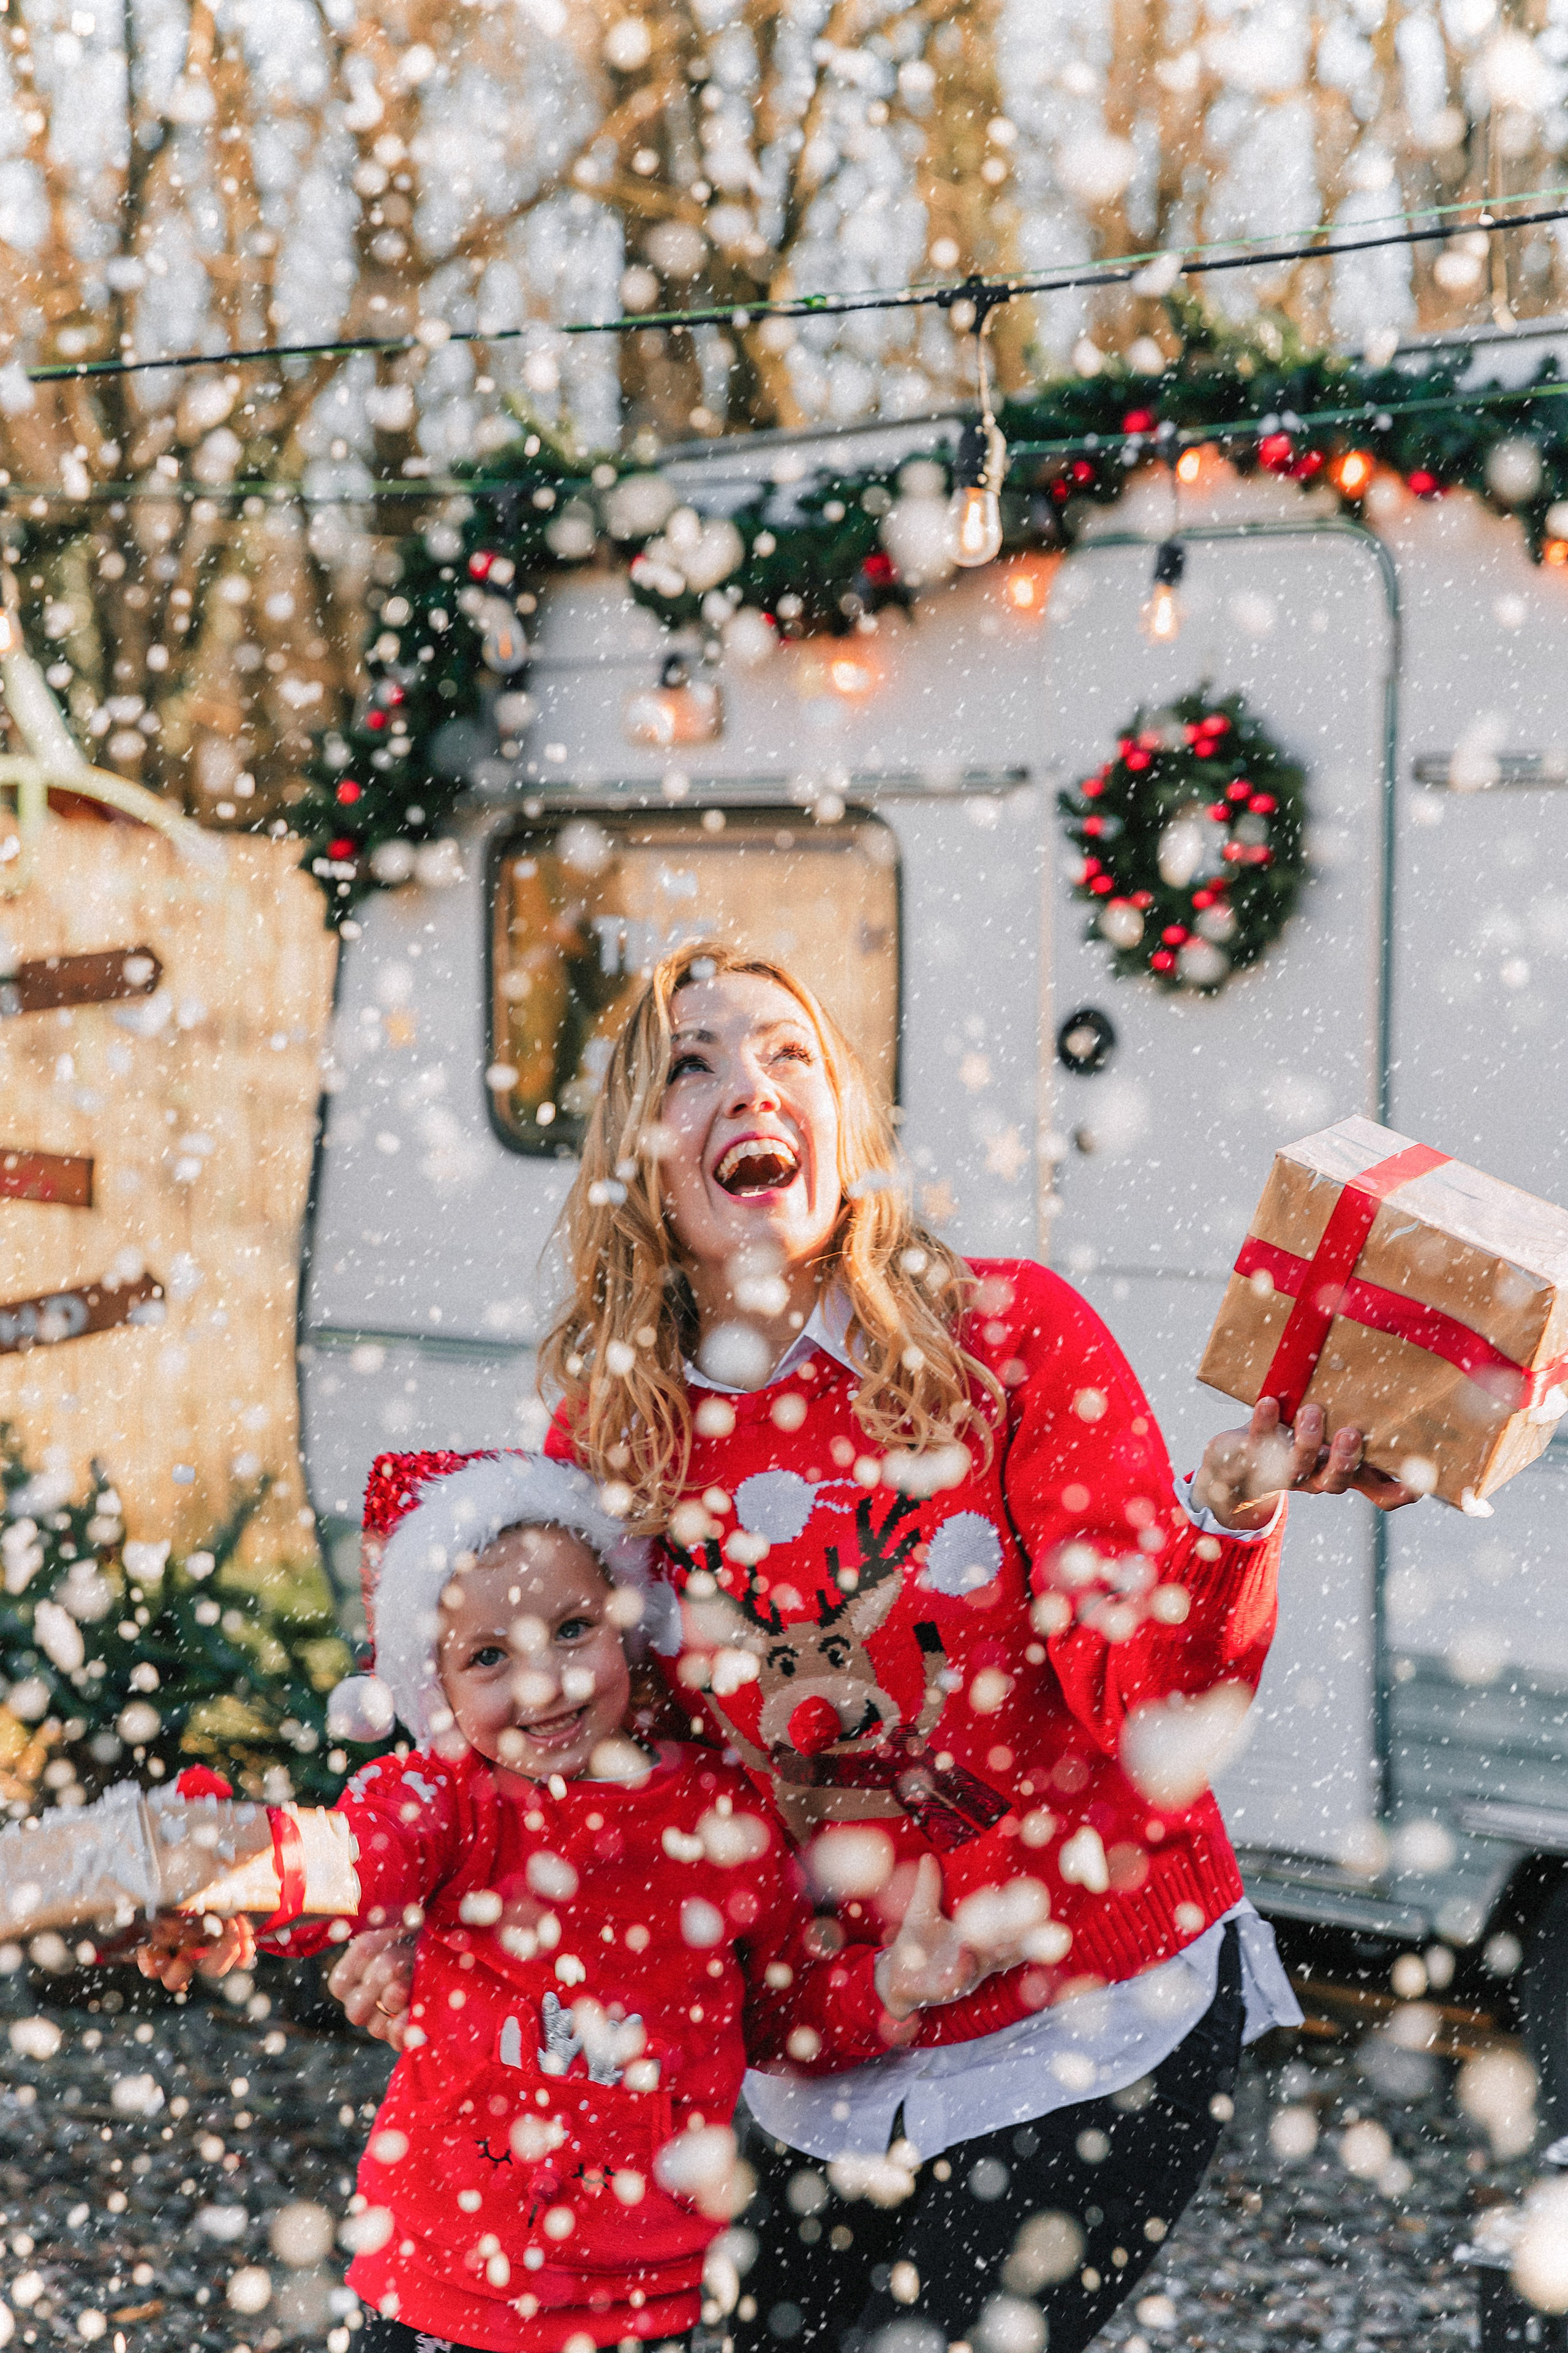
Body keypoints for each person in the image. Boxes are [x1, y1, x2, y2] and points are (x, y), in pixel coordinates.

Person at [331, 941, 1419, 2353]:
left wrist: (1230, 1506)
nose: (750, 1088)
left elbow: (1146, 1704)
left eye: (789, 1054)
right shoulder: (611, 1439)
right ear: (640, 1163)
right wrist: (427, 1899)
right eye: (694, 1067)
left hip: (1087, 2012)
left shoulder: (1010, 1340)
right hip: (813, 2034)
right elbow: (575, 1753)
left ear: (842, 1118)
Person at [137, 1451, 983, 2353]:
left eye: (573, 1628)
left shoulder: (718, 1816)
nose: (543, 1681)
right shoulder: (451, 1800)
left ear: (626, 1627)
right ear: (440, 1688)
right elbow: (356, 1859)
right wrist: (237, 1875)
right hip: (442, 2280)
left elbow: (776, 2014)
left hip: (641, 2299)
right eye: (490, 1656)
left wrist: (886, 1987)